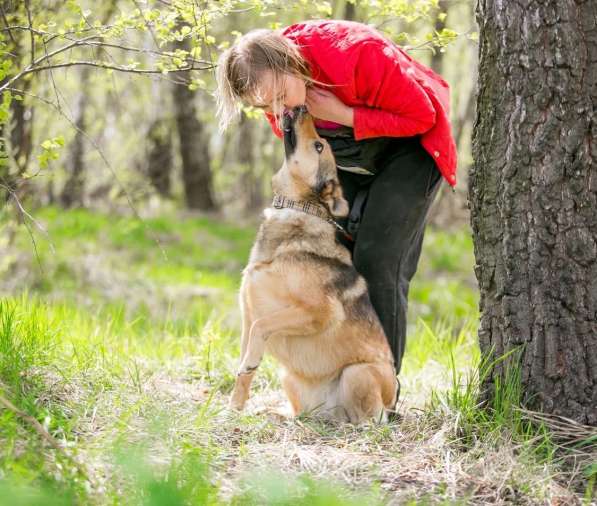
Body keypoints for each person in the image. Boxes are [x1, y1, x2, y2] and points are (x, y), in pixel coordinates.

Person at [214, 19, 457, 399]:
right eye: (265, 106)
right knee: (341, 253)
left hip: (411, 149)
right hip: (348, 155)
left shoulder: (357, 53)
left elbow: (422, 117)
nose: (279, 110)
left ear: (290, 62)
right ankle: (339, 383)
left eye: (281, 95)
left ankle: (383, 394)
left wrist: (345, 115)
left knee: (378, 260)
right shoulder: (272, 87)